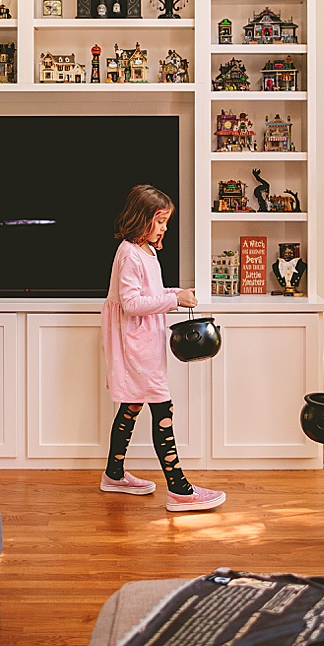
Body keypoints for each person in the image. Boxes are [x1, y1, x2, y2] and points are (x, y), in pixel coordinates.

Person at [100, 185, 225, 512]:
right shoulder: (129, 253)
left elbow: (148, 293)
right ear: (142, 219)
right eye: (160, 221)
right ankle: (180, 489)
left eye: (166, 221)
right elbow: (130, 303)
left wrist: (175, 293)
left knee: (132, 405)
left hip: (146, 340)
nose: (164, 227)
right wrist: (173, 299)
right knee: (161, 409)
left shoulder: (146, 252)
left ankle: (114, 474)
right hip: (136, 343)